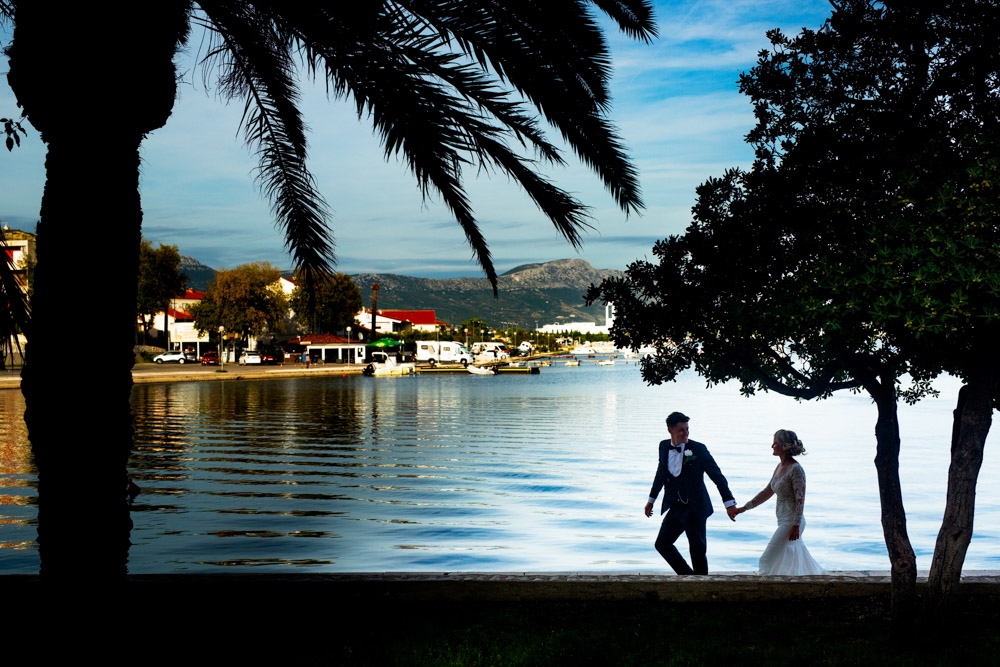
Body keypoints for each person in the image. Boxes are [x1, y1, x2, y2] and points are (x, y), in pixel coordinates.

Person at [645, 411, 737, 575]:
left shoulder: (698, 449)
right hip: (676, 506)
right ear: (670, 430)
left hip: (696, 507)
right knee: (662, 544)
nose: (686, 433)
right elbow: (660, 473)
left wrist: (729, 503)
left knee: (697, 550)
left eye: (687, 429)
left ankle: (702, 586)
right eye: (681, 430)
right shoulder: (664, 446)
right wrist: (651, 500)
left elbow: (717, 476)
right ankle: (687, 576)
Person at [734, 429, 826, 576]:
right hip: (783, 519)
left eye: (775, 443)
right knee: (787, 560)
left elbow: (800, 500)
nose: (772, 446)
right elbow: (767, 491)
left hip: (792, 521)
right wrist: (744, 508)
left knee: (766, 559)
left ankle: (764, 585)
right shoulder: (779, 467)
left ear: (784, 446)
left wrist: (795, 525)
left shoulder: (796, 470)